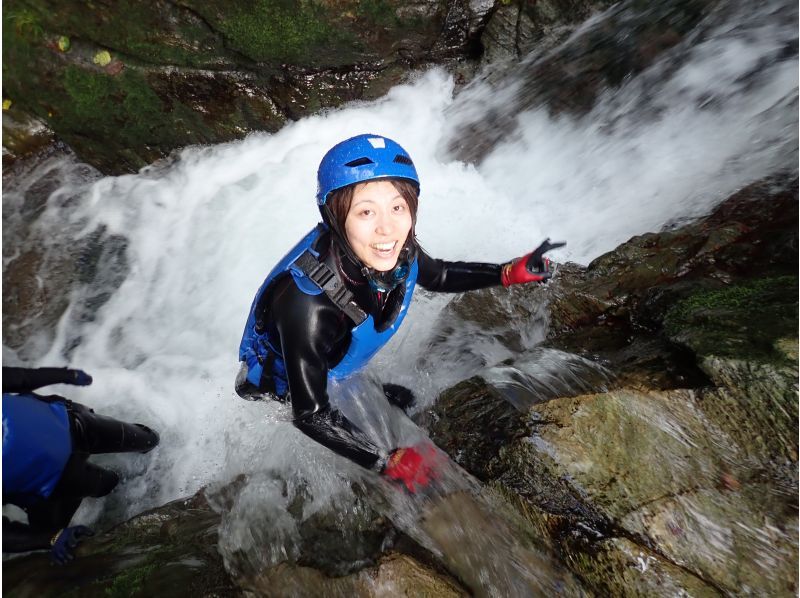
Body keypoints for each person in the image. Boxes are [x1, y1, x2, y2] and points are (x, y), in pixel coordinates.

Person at [236, 134, 563, 493]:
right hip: (280, 392)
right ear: (334, 216)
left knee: (399, 401)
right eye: (365, 212)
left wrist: (506, 273)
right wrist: (384, 462)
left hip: (336, 364)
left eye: (397, 208)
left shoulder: (395, 249)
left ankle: (364, 393)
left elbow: (437, 275)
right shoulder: (307, 305)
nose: (386, 228)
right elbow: (310, 414)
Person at [2, 366, 160, 563]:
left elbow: (19, 378)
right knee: (112, 486)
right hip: (58, 486)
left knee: (149, 440)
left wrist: (66, 375)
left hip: (74, 423)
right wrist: (50, 538)